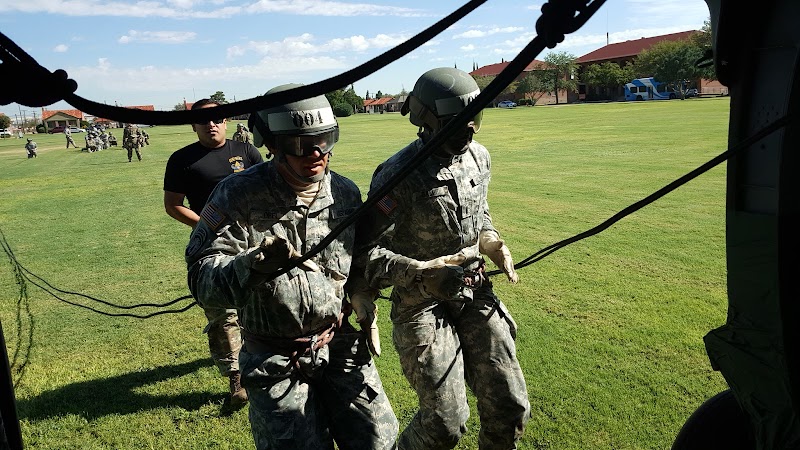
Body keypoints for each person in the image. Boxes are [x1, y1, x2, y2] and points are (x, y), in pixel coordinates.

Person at [186, 85, 398, 449]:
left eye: (325, 140)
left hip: (340, 344)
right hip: (275, 361)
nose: (316, 154)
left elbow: (362, 257)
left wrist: (419, 271)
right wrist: (250, 266)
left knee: (379, 440)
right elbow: (201, 275)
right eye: (301, 145)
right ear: (271, 144)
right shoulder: (237, 194)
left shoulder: (344, 192)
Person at [359, 67, 531, 449]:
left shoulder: (479, 158)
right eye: (456, 123)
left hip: (474, 291)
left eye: (476, 118)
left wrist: (490, 238)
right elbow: (364, 254)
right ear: (426, 121)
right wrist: (420, 274)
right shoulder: (397, 175)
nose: (469, 130)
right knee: (445, 423)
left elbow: (480, 210)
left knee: (510, 406)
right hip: (420, 306)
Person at [164, 98, 264, 410]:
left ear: (225, 121)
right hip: (213, 247)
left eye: (218, 118)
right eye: (204, 120)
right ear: (193, 125)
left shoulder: (245, 151)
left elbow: (266, 187)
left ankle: (261, 359)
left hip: (252, 240)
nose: (212, 124)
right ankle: (236, 380)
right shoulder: (182, 160)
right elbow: (173, 204)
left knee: (260, 302)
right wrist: (209, 225)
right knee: (223, 312)